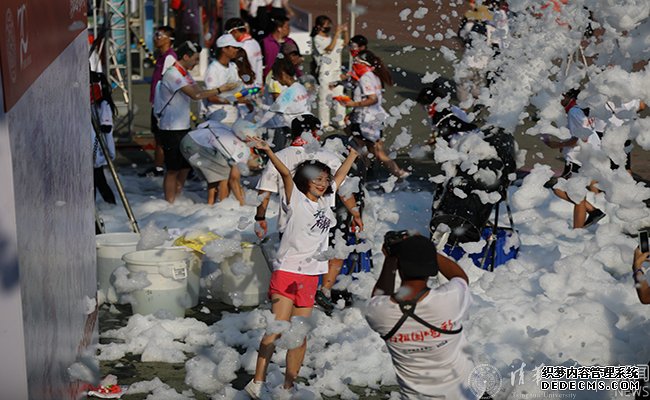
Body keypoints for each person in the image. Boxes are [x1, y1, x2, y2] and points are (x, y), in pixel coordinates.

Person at [244, 134, 359, 399]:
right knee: (277, 328)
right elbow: (284, 172)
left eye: (324, 180)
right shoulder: (294, 198)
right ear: (304, 180)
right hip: (287, 272)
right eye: (317, 179)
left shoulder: (327, 200)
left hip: (310, 276)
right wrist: (269, 151)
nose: (323, 184)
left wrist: (352, 156)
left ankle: (288, 385)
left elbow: (339, 177)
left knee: (299, 335)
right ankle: (257, 381)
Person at [254, 114, 363, 313]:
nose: (321, 184)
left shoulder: (284, 155)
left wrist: (260, 217)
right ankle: (324, 290)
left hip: (289, 225)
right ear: (314, 132)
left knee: (297, 318)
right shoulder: (328, 158)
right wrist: (355, 214)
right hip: (305, 228)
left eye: (324, 180)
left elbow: (264, 193)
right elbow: (344, 190)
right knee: (331, 251)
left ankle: (304, 298)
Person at [364, 233, 475, 399]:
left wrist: (392, 257)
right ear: (430, 268)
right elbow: (460, 278)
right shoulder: (450, 300)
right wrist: (425, 250)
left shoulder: (380, 313)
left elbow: (378, 298)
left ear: (399, 266)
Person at [153, 40, 238, 203]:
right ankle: (170, 204)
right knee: (172, 169)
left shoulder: (185, 73)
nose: (197, 62)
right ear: (185, 56)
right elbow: (195, 95)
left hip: (183, 128)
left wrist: (227, 98)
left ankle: (178, 200)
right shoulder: (173, 74)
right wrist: (221, 89)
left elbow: (200, 91)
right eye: (195, 59)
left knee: (185, 166)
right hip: (170, 129)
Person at [336, 49, 409, 179]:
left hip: (366, 121)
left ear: (365, 64)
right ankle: (369, 174)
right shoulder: (374, 76)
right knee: (368, 148)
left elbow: (372, 98)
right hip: (372, 118)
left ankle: (395, 174)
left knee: (370, 150)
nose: (355, 64)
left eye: (357, 62)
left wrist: (352, 105)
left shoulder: (365, 77)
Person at [542, 89, 605, 228]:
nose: (559, 98)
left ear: (570, 96)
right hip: (586, 156)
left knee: (574, 195)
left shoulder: (574, 112)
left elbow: (582, 137)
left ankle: (577, 232)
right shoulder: (580, 109)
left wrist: (558, 144)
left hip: (578, 158)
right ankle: (593, 212)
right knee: (565, 189)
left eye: (561, 95)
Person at [180, 119, 261, 205]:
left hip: (188, 138)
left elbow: (205, 124)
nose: (258, 164)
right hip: (195, 146)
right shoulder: (244, 150)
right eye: (258, 161)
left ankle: (210, 203)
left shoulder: (227, 129)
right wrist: (242, 203)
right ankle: (222, 205)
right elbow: (233, 180)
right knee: (225, 174)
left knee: (215, 173)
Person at [143, 26, 176, 177]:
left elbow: (169, 83)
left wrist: (162, 107)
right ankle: (158, 167)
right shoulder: (161, 56)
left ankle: (169, 168)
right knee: (158, 137)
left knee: (164, 139)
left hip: (164, 106)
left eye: (159, 35)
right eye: (155, 35)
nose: (156, 38)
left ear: (169, 39)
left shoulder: (169, 57)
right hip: (157, 103)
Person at [259, 58, 311, 150]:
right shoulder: (300, 87)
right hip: (307, 127)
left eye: (276, 77)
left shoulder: (288, 93)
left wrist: (258, 105)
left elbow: (274, 111)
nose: (277, 81)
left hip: (293, 129)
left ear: (282, 74)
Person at [311, 15, 348, 131]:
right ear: (319, 26)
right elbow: (328, 49)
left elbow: (345, 43)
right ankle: (324, 123)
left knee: (340, 97)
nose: (329, 27)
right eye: (326, 25)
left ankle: (340, 121)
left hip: (337, 72)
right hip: (324, 73)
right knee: (325, 99)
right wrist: (337, 34)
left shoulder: (333, 38)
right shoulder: (317, 39)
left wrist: (345, 31)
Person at [203, 34, 245, 126]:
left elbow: (239, 91)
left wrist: (247, 97)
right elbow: (211, 97)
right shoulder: (213, 69)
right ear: (224, 49)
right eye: (234, 47)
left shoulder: (233, 67)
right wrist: (234, 100)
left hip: (234, 118)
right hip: (219, 119)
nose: (237, 50)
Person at [90, 71, 117, 205]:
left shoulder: (103, 104)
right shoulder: (92, 104)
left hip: (97, 149)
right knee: (97, 181)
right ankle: (107, 204)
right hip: (92, 149)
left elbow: (106, 127)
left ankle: (109, 204)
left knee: (97, 180)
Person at [224, 18, 264, 88]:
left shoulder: (242, 47)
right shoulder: (255, 43)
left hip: (245, 89)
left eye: (228, 34)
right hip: (256, 86)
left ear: (235, 31)